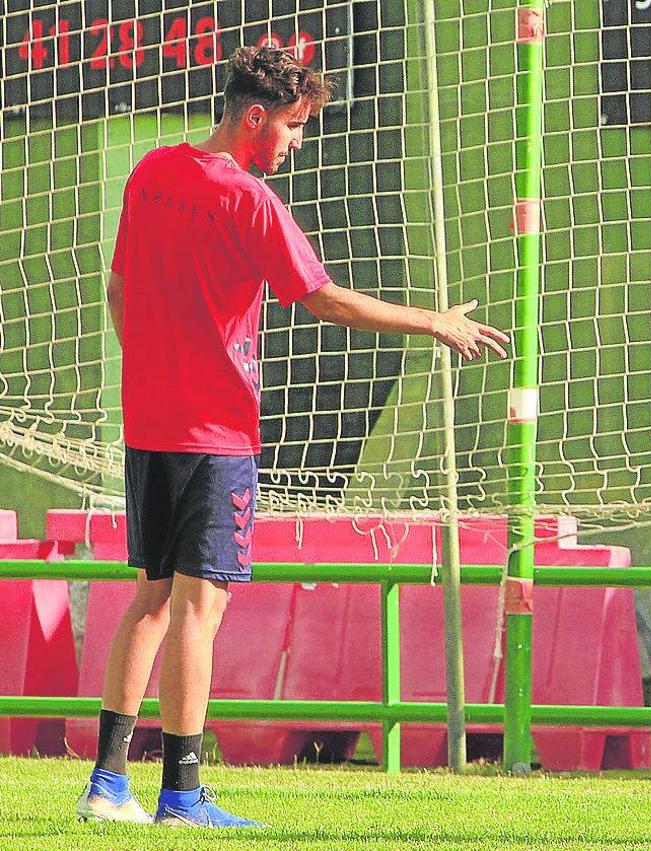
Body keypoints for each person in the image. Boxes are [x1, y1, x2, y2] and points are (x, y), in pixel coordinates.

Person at [75, 46, 509, 828]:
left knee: (150, 599)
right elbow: (326, 301)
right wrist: (435, 322)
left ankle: (107, 785)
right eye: (294, 127)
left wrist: (149, 370)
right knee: (198, 611)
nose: (296, 143)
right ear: (254, 118)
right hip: (215, 434)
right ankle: (181, 793)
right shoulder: (249, 201)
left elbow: (117, 287)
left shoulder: (150, 172)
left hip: (150, 426)